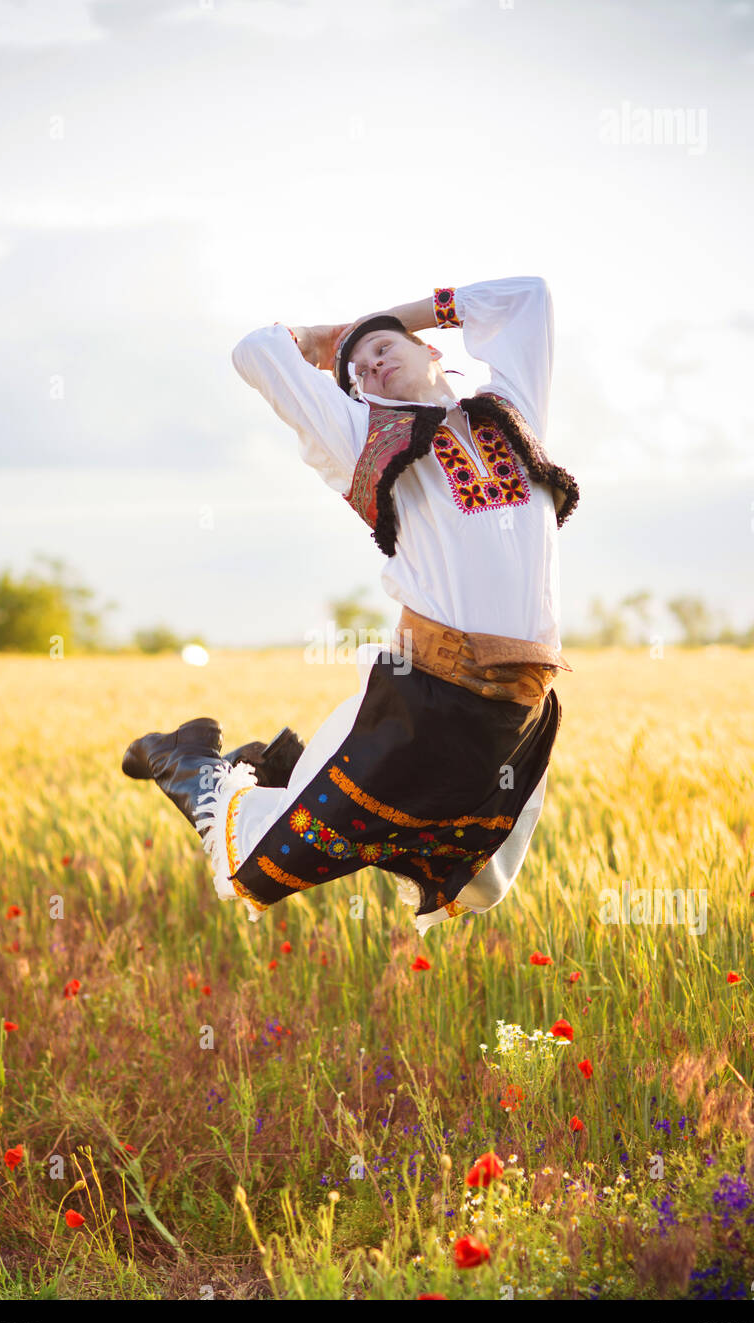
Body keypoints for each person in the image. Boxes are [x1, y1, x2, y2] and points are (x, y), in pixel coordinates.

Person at [122, 277, 579, 936]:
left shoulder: (512, 414)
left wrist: (375, 318)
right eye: (358, 369)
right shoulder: (364, 436)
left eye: (385, 347)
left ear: (431, 352)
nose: (369, 363)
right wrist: (320, 343)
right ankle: (187, 761)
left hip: (519, 704)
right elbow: (255, 350)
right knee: (259, 867)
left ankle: (275, 767)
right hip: (429, 694)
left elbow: (527, 297)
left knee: (462, 868)